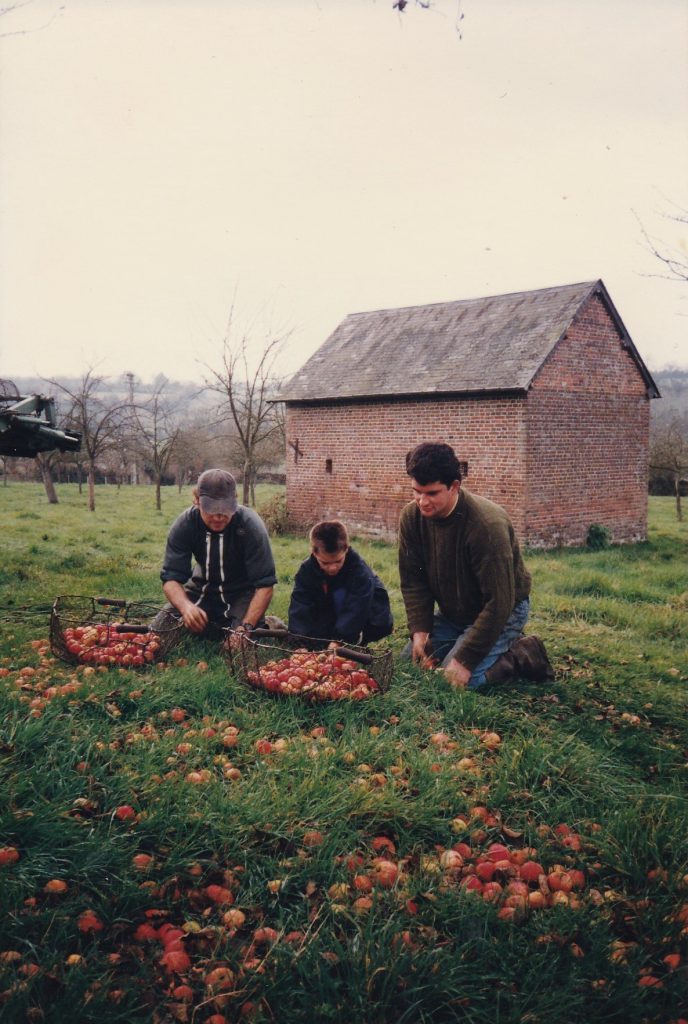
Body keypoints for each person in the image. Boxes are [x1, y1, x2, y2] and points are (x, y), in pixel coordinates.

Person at [398, 442, 553, 689]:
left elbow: (499, 602)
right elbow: (413, 581)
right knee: (409, 666)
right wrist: (420, 631)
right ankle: (466, 641)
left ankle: (522, 653)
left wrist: (465, 661)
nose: (422, 501)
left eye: (432, 493)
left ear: (454, 486)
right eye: (417, 491)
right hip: (454, 613)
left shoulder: (486, 526)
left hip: (502, 611)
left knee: (457, 682)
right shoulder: (411, 518)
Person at [154, 468, 277, 639]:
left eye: (225, 509)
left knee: (239, 647)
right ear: (197, 500)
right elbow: (170, 579)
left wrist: (246, 627)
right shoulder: (185, 524)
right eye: (211, 510)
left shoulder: (251, 525)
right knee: (158, 632)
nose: (218, 517)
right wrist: (186, 608)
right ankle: (213, 623)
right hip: (200, 590)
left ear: (235, 500)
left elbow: (265, 585)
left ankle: (266, 623)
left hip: (241, 595)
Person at [288, 520, 393, 646]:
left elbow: (357, 607)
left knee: (342, 596)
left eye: (338, 561)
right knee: (312, 632)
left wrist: (339, 640)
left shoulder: (359, 571)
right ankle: (325, 636)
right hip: (329, 612)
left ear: (346, 549)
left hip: (364, 616)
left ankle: (354, 638)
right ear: (314, 553)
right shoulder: (306, 570)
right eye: (325, 563)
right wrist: (300, 642)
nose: (332, 568)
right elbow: (300, 604)